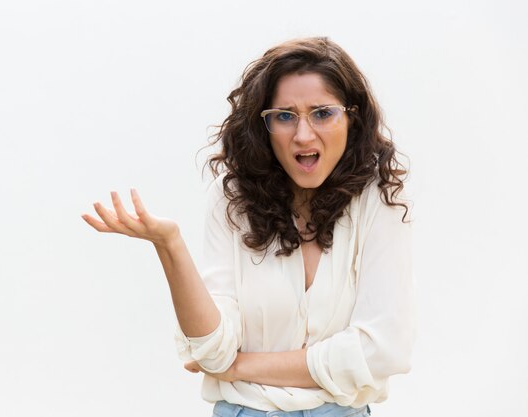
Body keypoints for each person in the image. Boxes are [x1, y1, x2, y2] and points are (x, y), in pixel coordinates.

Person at [81, 36, 415, 417]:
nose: (303, 135)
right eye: (285, 116)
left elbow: (382, 350)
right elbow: (213, 350)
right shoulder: (232, 200)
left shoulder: (380, 200)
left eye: (322, 113)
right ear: (265, 126)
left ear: (352, 118)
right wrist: (170, 245)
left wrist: (240, 367)